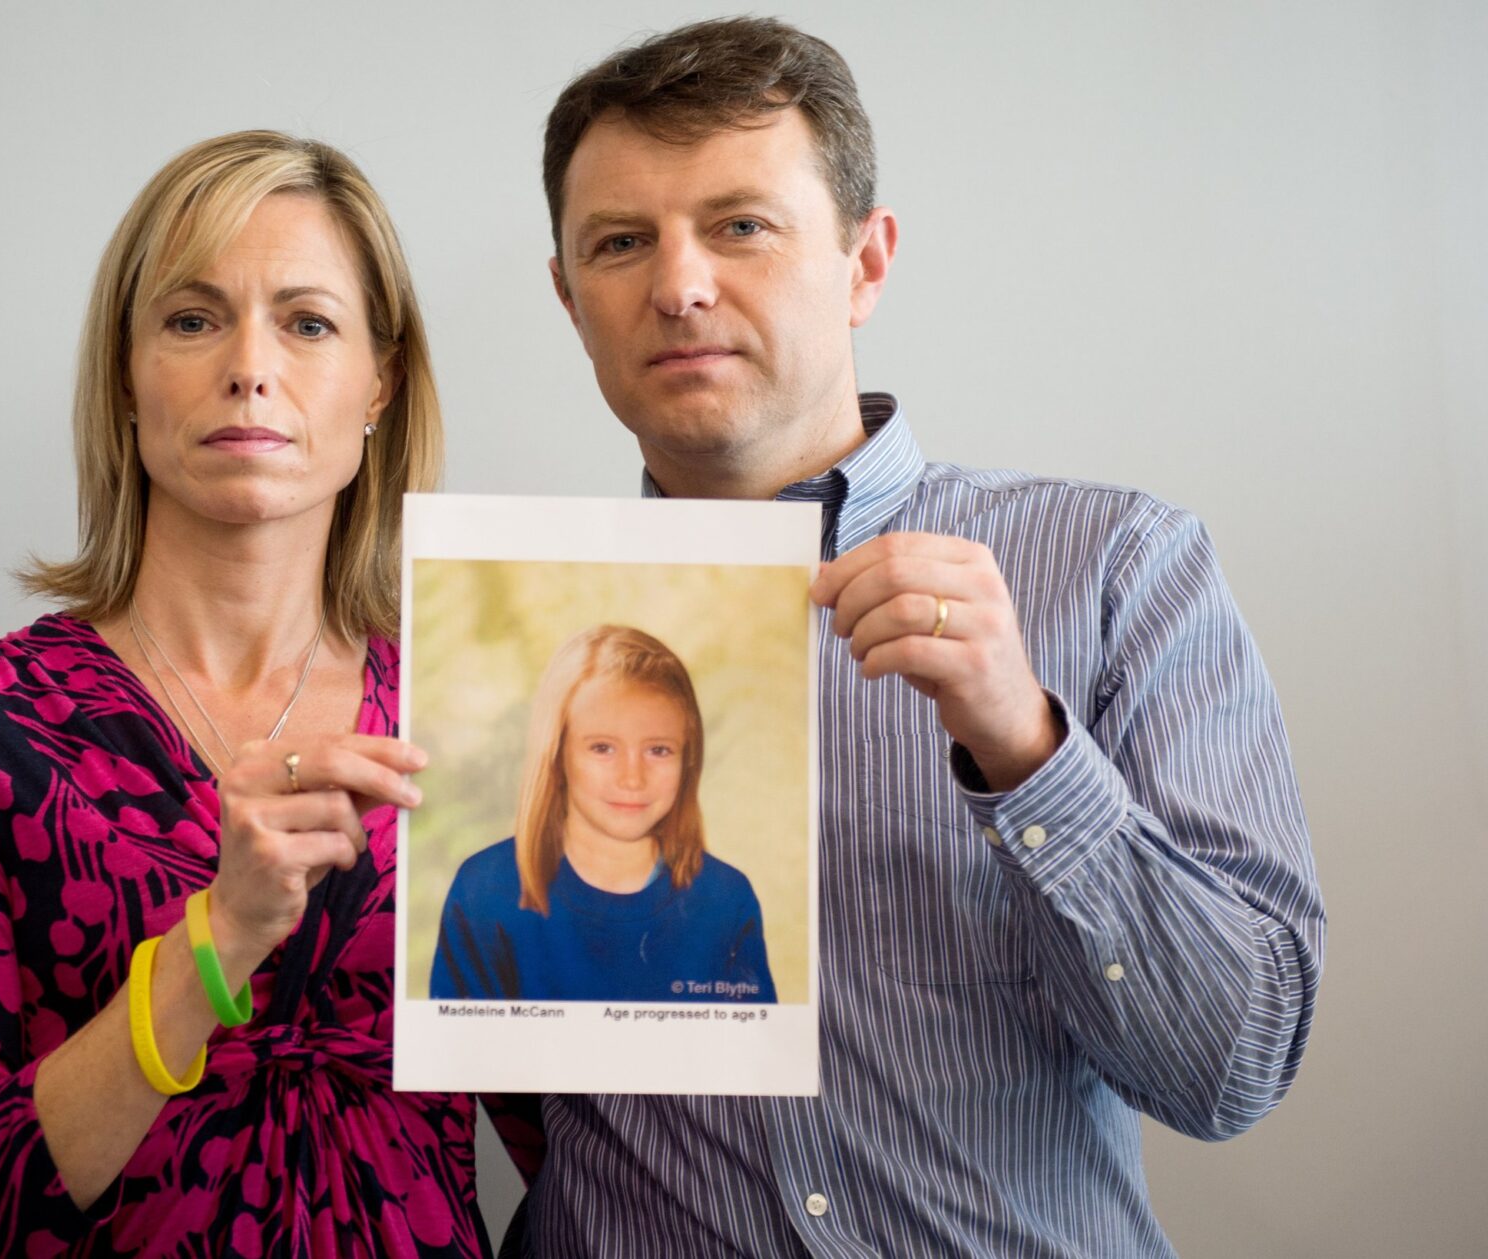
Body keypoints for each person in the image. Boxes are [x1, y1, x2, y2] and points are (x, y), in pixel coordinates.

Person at [490, 17, 1325, 1258]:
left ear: (865, 263)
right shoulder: (494, 634)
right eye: (621, 242)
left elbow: (1234, 1065)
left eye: (741, 225)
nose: (680, 286)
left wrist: (1028, 747)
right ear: (570, 297)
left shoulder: (1120, 564)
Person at [0, 131, 493, 1256]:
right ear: (126, 375)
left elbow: (584, 1123)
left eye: (308, 322)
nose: (250, 366)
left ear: (381, 382)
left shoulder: (472, 707)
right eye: (193, 319)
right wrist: (222, 934)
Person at [430, 624, 776, 1003]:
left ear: (688, 758)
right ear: (556, 754)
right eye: (602, 748)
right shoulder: (484, 892)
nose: (632, 778)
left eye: (658, 750)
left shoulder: (726, 899)